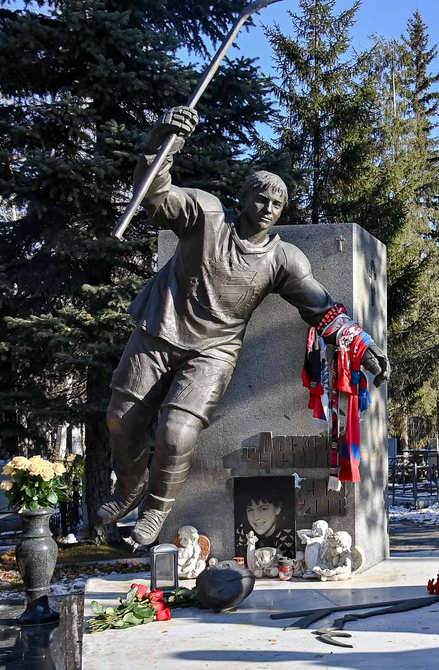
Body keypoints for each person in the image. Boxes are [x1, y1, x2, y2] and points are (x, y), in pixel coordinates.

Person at [96, 106, 389, 547]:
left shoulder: (283, 259)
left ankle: (155, 510)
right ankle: (128, 488)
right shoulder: (206, 215)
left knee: (177, 432)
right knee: (120, 420)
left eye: (277, 204)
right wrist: (163, 140)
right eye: (260, 199)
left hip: (213, 351)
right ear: (242, 198)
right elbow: (155, 195)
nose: (267, 209)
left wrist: (360, 346)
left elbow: (320, 306)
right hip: (160, 327)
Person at [236, 488, 293, 555]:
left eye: (263, 509)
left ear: (278, 508)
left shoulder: (286, 533)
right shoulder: (244, 530)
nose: (256, 517)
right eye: (250, 510)